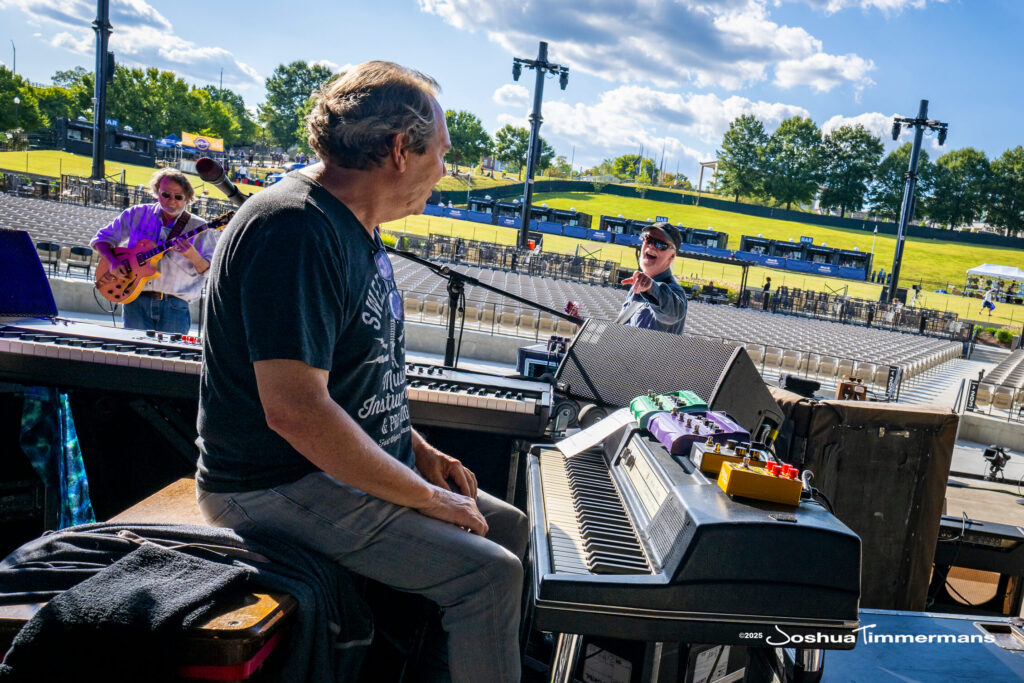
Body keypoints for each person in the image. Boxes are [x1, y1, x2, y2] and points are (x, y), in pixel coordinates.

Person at [195, 61, 527, 683]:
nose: (446, 172)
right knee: (490, 573)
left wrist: (417, 451)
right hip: (271, 486)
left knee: (509, 529)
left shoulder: (354, 229)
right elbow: (296, 412)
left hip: (325, 470)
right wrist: (426, 497)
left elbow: (359, 375)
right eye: (443, 154)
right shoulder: (293, 225)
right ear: (401, 149)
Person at [91, 168, 215, 334]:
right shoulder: (137, 213)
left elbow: (211, 271)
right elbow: (101, 239)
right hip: (135, 300)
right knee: (132, 357)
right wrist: (113, 262)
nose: (172, 201)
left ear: (187, 198)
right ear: (157, 192)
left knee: (169, 358)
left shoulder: (200, 227)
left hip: (175, 306)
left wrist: (192, 255)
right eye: (166, 195)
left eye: (178, 197)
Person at [617, 221, 687, 334]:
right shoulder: (637, 285)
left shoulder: (675, 292)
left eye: (661, 245)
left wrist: (651, 287)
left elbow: (672, 314)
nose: (651, 246)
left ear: (672, 256)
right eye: (648, 239)